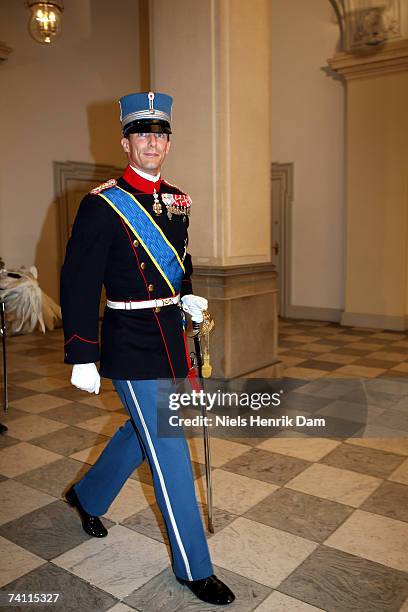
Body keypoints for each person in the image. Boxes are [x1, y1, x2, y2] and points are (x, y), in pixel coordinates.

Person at [60, 91, 235, 606]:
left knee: (144, 431)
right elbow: (77, 281)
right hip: (130, 340)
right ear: (126, 141)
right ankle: (193, 567)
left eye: (160, 134)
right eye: (143, 133)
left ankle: (87, 495)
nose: (153, 142)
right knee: (169, 448)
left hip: (170, 338)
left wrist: (188, 299)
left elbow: (178, 262)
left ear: (168, 142)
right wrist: (82, 352)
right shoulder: (102, 204)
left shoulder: (177, 198)